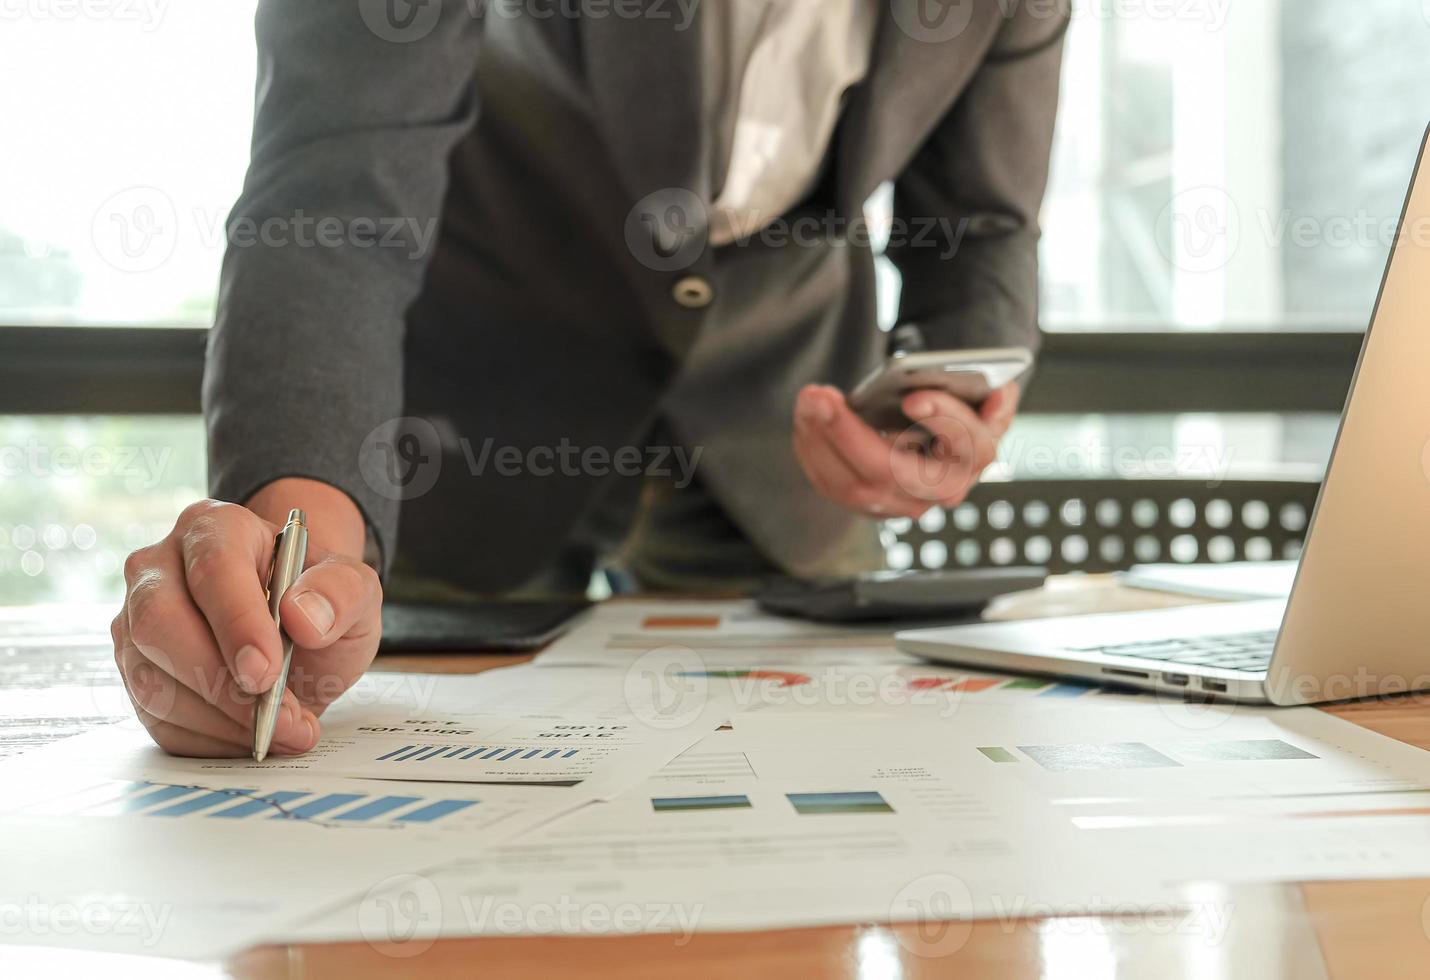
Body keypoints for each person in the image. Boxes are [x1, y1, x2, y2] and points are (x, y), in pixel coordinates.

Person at [113, 0, 1069, 756]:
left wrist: (957, 391)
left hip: (787, 415)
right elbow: (336, 194)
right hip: (484, 392)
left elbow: (983, 226)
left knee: (819, 807)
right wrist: (306, 539)